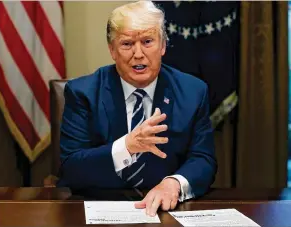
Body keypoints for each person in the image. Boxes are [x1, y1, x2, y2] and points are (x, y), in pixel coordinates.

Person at [58, 0, 217, 217]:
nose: (138, 53)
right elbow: (70, 167)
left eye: (148, 41)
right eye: (127, 44)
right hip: (98, 207)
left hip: (166, 211)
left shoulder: (193, 91)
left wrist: (175, 184)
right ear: (112, 50)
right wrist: (127, 147)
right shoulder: (82, 92)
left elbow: (203, 159)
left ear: (162, 46)